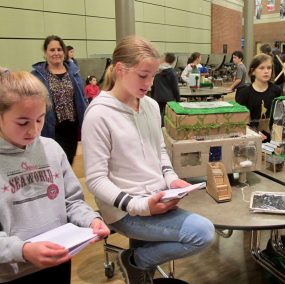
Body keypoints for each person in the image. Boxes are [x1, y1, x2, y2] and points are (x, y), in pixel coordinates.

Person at [81, 36, 214, 284]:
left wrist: (172, 181)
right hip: (125, 211)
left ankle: (140, 268)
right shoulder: (99, 114)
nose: (150, 83)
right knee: (202, 232)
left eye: (153, 76)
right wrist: (140, 206)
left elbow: (159, 151)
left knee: (143, 278)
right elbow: (96, 180)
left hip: (157, 199)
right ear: (120, 69)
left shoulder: (151, 106)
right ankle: (135, 260)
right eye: (143, 75)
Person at [0, 70, 110, 284]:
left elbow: (71, 201)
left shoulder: (51, 149)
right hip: (12, 272)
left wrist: (91, 219)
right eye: (23, 122)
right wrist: (22, 250)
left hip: (59, 259)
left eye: (40, 119)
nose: (33, 130)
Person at [32, 35, 87, 165]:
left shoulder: (74, 72)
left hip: (72, 129)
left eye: (59, 49)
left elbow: (82, 99)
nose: (56, 53)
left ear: (64, 52)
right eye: (52, 50)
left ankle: (64, 185)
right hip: (51, 128)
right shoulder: (37, 76)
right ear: (45, 53)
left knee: (68, 163)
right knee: (54, 163)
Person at [236, 53, 281, 138]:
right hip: (250, 139)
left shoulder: (276, 91)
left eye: (269, 68)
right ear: (253, 71)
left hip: (272, 140)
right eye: (261, 68)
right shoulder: (244, 93)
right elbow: (238, 122)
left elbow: (279, 119)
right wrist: (253, 133)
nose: (266, 71)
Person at [151, 52, 180, 125]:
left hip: (157, 97)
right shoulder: (172, 72)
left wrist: (152, 97)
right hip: (169, 98)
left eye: (162, 57)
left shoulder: (157, 71)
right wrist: (178, 100)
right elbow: (175, 88)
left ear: (164, 59)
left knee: (157, 115)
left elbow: (153, 86)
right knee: (167, 116)